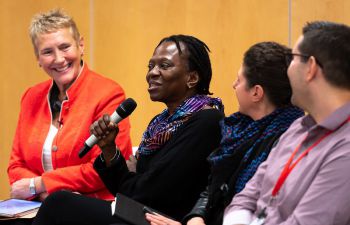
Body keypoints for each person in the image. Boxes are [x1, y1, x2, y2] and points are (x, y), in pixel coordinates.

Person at [31, 34, 224, 225]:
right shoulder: (162, 123)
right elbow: (132, 190)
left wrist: (136, 174)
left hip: (163, 219)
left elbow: (146, 194)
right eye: (150, 66)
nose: (152, 73)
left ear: (192, 78)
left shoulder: (206, 121)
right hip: (139, 212)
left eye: (164, 66)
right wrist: (108, 149)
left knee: (59, 203)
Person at [145, 42, 304, 225]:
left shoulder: (287, 141)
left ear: (256, 93)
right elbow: (213, 187)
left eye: (239, 80)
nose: (233, 85)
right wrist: (196, 216)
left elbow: (261, 211)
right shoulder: (241, 129)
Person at [222, 21, 350, 225]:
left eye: (292, 58)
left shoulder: (345, 148)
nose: (286, 69)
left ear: (311, 68)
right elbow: (246, 195)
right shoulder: (298, 128)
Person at [7, 9, 132, 202]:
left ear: (81, 45)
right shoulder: (31, 96)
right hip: (39, 205)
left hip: (94, 205)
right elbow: (16, 166)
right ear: (38, 59)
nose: (58, 59)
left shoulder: (108, 93)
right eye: (47, 52)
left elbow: (103, 169)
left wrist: (39, 185)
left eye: (65, 47)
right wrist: (46, 195)